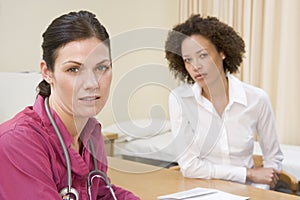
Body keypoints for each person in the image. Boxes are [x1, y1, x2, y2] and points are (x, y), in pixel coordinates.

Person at [0, 10, 140, 200]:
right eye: (74, 69)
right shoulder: (16, 142)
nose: (91, 83)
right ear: (47, 72)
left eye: (101, 68)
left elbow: (99, 192)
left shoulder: (91, 134)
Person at [165, 14, 283, 189]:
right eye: (188, 60)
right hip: (200, 191)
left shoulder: (257, 99)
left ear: (222, 52)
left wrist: (262, 187)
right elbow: (189, 167)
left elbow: (273, 159)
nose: (195, 66)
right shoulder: (180, 100)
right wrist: (247, 174)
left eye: (203, 55)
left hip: (248, 191)